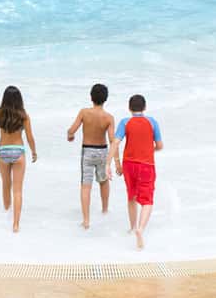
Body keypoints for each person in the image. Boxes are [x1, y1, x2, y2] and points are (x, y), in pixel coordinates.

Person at [109, 94, 162, 250]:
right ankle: (140, 229)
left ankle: (132, 228)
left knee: (131, 195)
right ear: (144, 108)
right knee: (147, 200)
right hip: (146, 164)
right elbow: (159, 145)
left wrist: (109, 163)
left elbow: (115, 142)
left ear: (129, 108)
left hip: (128, 165)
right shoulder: (152, 122)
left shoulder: (125, 122)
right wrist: (149, 150)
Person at [66, 83, 115, 229]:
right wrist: (116, 159)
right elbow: (113, 140)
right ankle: (105, 210)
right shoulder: (109, 117)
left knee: (86, 186)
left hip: (87, 151)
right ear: (105, 99)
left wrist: (70, 135)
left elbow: (72, 130)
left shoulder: (84, 112)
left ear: (91, 97)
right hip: (103, 151)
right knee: (104, 181)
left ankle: (86, 220)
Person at [0, 86, 37, 233]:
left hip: (3, 152)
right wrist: (34, 151)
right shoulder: (23, 115)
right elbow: (29, 137)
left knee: (5, 185)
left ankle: (7, 214)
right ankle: (15, 224)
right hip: (18, 152)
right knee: (17, 190)